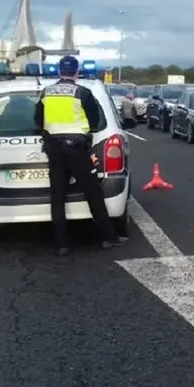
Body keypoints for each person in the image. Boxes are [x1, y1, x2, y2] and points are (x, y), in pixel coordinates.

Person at [34, 55, 128, 256]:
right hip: (77, 148)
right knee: (92, 191)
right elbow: (94, 121)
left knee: (57, 195)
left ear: (59, 71)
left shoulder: (46, 92)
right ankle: (109, 237)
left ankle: (62, 245)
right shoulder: (82, 93)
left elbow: (38, 120)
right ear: (76, 72)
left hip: (54, 149)